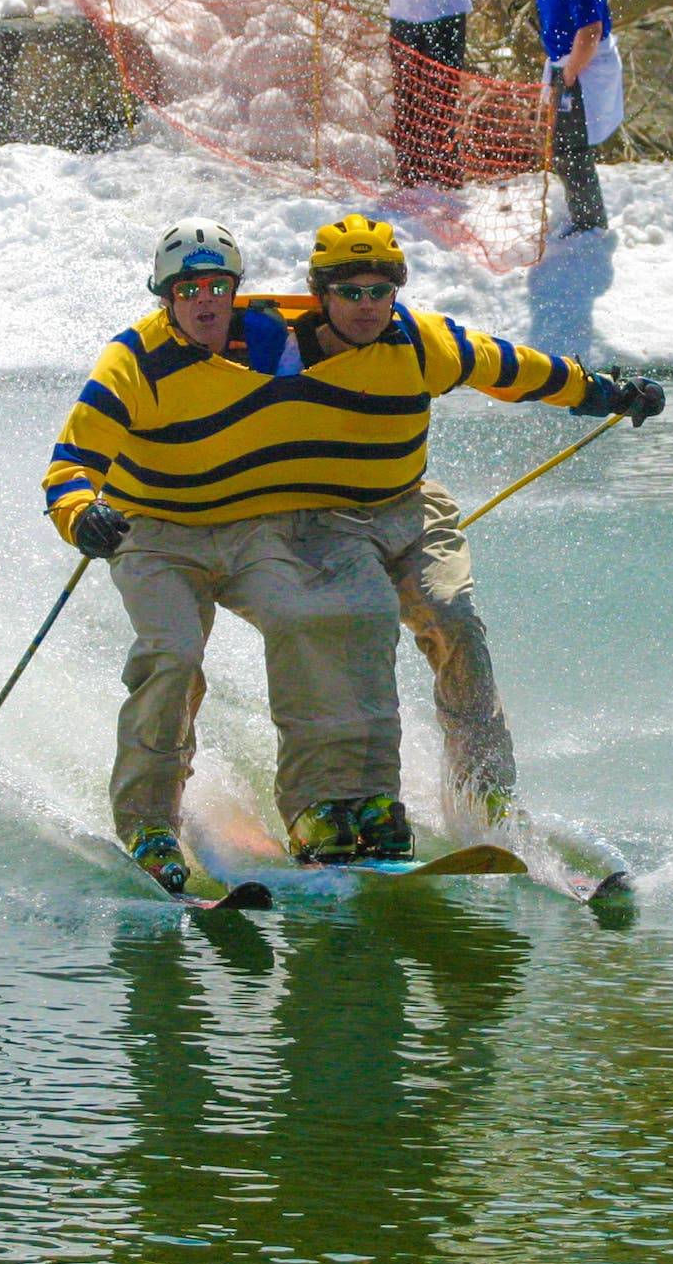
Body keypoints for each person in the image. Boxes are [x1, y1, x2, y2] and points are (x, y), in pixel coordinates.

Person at [42, 218, 413, 883]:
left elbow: (351, 343)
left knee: (308, 618)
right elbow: (70, 460)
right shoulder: (131, 359)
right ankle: (150, 823)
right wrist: (81, 514)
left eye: (217, 284)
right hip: (152, 533)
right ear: (165, 298)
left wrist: (600, 392)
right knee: (174, 653)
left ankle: (320, 806)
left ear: (235, 288)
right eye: (188, 289)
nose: (205, 300)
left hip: (247, 526)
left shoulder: (269, 338)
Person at [271, 214, 664, 825]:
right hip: (322, 524)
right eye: (350, 292)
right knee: (367, 633)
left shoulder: (424, 341)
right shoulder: (275, 350)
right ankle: (355, 801)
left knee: (455, 623)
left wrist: (607, 393)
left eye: (381, 291)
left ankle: (486, 793)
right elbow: (183, 388)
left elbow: (516, 369)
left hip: (410, 508)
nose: (367, 306)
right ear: (321, 295)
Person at [366, 0, 485, 188]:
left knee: (443, 100)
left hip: (446, 15)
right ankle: (410, 174)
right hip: (405, 18)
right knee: (408, 102)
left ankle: (444, 176)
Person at [526, 0, 624, 237]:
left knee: (573, 150)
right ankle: (576, 211)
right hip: (564, 63)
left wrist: (568, 76)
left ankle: (590, 225)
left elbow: (591, 31)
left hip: (582, 66)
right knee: (560, 147)